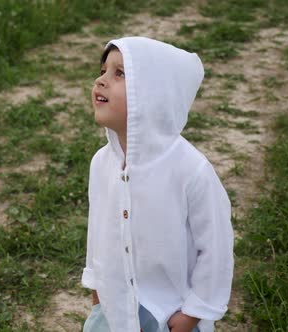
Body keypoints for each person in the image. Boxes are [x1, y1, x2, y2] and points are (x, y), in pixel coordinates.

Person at [81, 36, 234, 332]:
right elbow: (98, 231)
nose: (101, 81)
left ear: (152, 94)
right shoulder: (102, 164)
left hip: (168, 314)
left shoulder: (191, 170)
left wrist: (192, 314)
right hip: (114, 312)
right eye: (102, 71)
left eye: (119, 73)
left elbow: (216, 248)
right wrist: (98, 292)